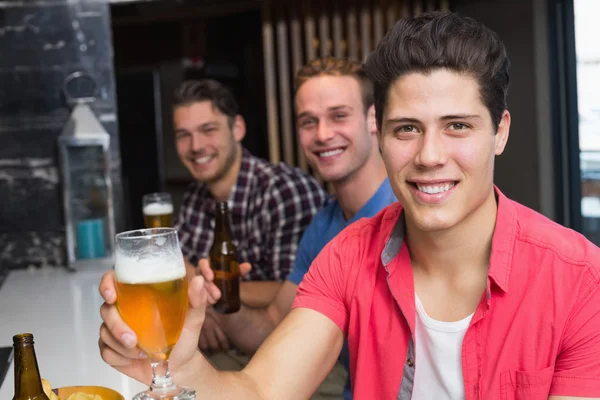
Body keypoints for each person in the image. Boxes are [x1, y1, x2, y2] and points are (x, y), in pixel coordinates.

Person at [98, 11, 600, 399]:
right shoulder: (346, 254)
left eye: (458, 126)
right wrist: (182, 367)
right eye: (408, 128)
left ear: (500, 133)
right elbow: (260, 390)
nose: (429, 156)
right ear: (380, 133)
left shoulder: (580, 281)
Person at [197, 57, 396, 400]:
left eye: (338, 115)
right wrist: (222, 298)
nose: (322, 134)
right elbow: (274, 326)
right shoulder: (324, 223)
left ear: (373, 118)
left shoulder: (409, 211)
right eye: (309, 121)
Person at [170, 79, 327, 308]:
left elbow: (296, 290)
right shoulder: (196, 195)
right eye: (183, 135)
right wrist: (208, 308)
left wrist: (208, 295)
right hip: (230, 334)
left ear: (238, 129)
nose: (195, 146)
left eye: (208, 130)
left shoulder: (283, 190)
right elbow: (174, 263)